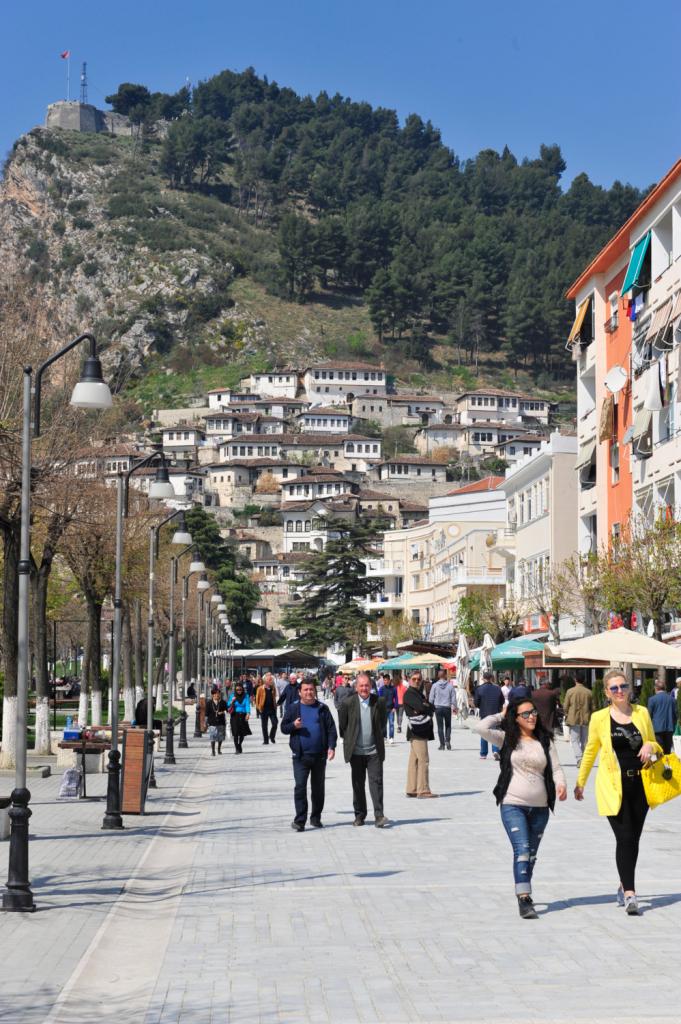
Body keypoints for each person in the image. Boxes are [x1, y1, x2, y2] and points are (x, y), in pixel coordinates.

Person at [574, 669, 661, 915]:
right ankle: (631, 895)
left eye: (623, 686)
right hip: (614, 787)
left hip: (642, 786)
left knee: (633, 839)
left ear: (629, 688)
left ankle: (624, 883)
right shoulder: (600, 718)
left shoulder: (642, 712)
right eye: (614, 688)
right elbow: (591, 750)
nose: (619, 691)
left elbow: (656, 745)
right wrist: (580, 782)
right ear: (607, 693)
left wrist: (649, 744)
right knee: (624, 838)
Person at [473, 697, 567, 919]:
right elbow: (480, 727)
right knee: (522, 850)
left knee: (531, 855)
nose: (532, 716)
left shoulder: (545, 741)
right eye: (525, 714)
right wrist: (501, 714)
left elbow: (556, 769)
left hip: (541, 807)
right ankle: (524, 898)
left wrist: (561, 784)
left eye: (533, 712)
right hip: (512, 804)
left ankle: (523, 886)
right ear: (515, 718)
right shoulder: (506, 739)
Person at [282, 678, 337, 831]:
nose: (308, 692)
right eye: (305, 690)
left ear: (315, 690)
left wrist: (331, 747)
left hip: (319, 756)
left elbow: (331, 729)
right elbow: (283, 727)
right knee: (300, 787)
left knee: (318, 788)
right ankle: (300, 821)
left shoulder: (323, 708)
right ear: (300, 692)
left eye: (311, 689)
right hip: (300, 756)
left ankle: (316, 817)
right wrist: (294, 725)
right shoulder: (293, 708)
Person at [337, 672, 389, 827]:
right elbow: (343, 726)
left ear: (371, 686)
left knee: (376, 783)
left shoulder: (378, 701)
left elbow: (382, 723)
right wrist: (350, 741)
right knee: (358, 784)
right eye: (361, 685)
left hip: (374, 752)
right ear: (356, 687)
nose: (364, 688)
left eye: (367, 685)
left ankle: (379, 816)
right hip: (356, 752)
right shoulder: (348, 703)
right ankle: (359, 815)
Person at [403, 671, 438, 798]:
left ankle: (411, 788)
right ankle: (423, 790)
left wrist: (425, 706)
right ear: (409, 679)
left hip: (418, 730)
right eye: (414, 679)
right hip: (418, 730)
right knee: (424, 760)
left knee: (414, 760)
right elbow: (423, 707)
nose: (417, 681)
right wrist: (424, 707)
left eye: (419, 679)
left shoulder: (417, 693)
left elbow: (429, 706)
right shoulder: (409, 694)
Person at [562, 675, 592, 767]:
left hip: (573, 719)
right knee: (584, 740)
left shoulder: (570, 691)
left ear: (575, 680)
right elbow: (593, 707)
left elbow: (565, 706)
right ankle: (583, 758)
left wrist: (567, 714)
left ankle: (579, 759)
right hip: (586, 718)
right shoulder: (589, 692)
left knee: (574, 740)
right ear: (584, 680)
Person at [475, 672, 504, 760]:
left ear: (483, 678)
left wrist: (481, 706)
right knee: (494, 731)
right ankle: (495, 750)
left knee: (484, 732)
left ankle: (483, 753)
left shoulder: (479, 689)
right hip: (495, 713)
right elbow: (502, 701)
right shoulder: (497, 688)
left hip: (484, 713)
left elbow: (476, 703)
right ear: (491, 678)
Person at [647, 679, 677, 755]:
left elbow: (649, 715)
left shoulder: (652, 699)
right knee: (667, 751)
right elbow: (675, 714)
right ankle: (667, 765)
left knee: (658, 751)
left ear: (656, 688)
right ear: (665, 688)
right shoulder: (672, 700)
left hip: (657, 728)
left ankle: (660, 766)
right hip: (669, 728)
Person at [429, 669, 457, 750]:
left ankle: (442, 745)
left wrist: (431, 707)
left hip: (438, 708)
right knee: (448, 725)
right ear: (445, 675)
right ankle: (447, 740)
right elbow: (453, 698)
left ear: (438, 676)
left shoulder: (434, 685)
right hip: (447, 708)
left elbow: (431, 698)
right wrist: (454, 707)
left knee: (440, 727)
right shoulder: (450, 685)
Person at [227, 681, 251, 754]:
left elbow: (247, 705)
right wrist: (232, 701)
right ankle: (237, 748)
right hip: (234, 715)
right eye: (237, 690)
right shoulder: (232, 695)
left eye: (240, 689)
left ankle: (239, 744)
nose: (239, 691)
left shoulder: (246, 696)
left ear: (242, 689)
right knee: (235, 733)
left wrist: (248, 713)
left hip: (243, 715)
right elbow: (228, 705)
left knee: (242, 733)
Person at [255, 672, 279, 745]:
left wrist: (275, 705)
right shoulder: (260, 688)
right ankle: (266, 740)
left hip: (272, 709)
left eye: (271, 680)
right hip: (264, 709)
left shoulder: (272, 688)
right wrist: (258, 708)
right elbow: (257, 699)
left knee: (275, 723)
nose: (271, 681)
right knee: (264, 725)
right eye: (269, 680)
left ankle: (271, 736)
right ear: (265, 681)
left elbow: (274, 697)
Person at [206, 684, 228, 755]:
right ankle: (213, 751)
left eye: (218, 694)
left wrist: (222, 712)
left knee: (220, 737)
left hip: (221, 722)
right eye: (215, 694)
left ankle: (219, 749)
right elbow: (206, 713)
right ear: (212, 695)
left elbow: (227, 711)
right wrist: (206, 723)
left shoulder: (223, 702)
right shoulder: (209, 703)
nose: (217, 696)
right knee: (212, 737)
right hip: (212, 722)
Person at [378, 675, 398, 744]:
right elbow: (379, 699)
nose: (386, 681)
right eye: (384, 680)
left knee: (391, 723)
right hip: (383, 709)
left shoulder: (393, 689)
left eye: (387, 680)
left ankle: (391, 737)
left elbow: (396, 698)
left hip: (391, 709)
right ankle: (384, 737)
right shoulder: (381, 689)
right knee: (384, 724)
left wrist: (395, 707)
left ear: (389, 680)